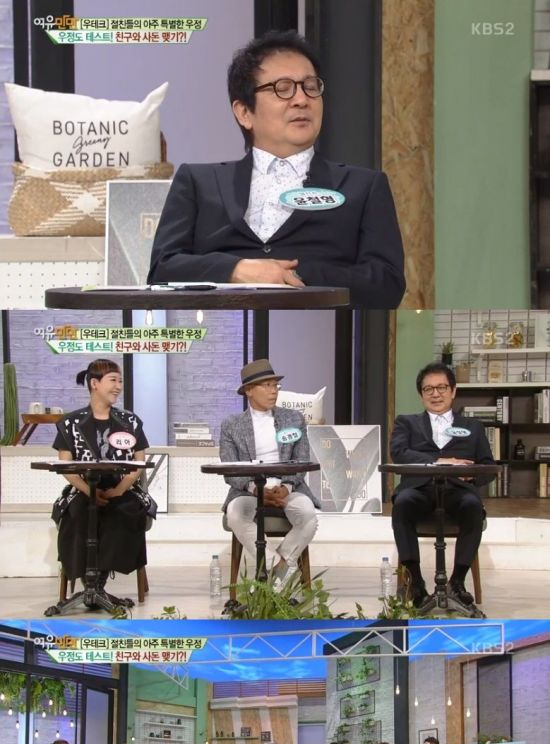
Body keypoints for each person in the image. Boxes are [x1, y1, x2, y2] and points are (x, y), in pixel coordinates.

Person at [147, 29, 405, 309]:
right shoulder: (198, 182)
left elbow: (387, 284)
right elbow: (163, 269)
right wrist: (237, 270)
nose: (301, 99)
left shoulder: (362, 187)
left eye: (310, 87)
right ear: (244, 112)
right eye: (283, 88)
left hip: (320, 326)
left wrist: (291, 275)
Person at [390, 363, 497, 609]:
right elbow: (399, 453)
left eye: (441, 387)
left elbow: (488, 466)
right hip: (418, 490)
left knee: (472, 505)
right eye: (428, 389)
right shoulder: (407, 422)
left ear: (453, 391)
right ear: (421, 394)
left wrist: (472, 477)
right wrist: (439, 461)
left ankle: (457, 582)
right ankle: (416, 583)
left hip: (457, 490)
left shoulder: (472, 427)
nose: (435, 394)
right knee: (402, 503)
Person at [52, 359, 156, 599]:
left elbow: (139, 463)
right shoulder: (71, 422)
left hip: (122, 489)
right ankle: (86, 580)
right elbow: (65, 466)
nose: (118, 386)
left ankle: (97, 583)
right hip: (82, 489)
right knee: (78, 513)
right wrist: (89, 491)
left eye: (120, 381)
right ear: (94, 383)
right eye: (113, 380)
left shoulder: (130, 421)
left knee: (122, 511)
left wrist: (119, 490)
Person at [220, 358, 320, 589]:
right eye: (266, 385)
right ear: (248, 390)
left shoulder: (293, 419)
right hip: (248, 490)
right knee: (235, 514)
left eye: (275, 385)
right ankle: (277, 567)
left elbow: (301, 460)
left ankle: (275, 572)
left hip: (288, 488)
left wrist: (286, 487)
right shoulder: (231, 425)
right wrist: (256, 490)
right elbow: (230, 470)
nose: (273, 391)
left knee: (308, 515)